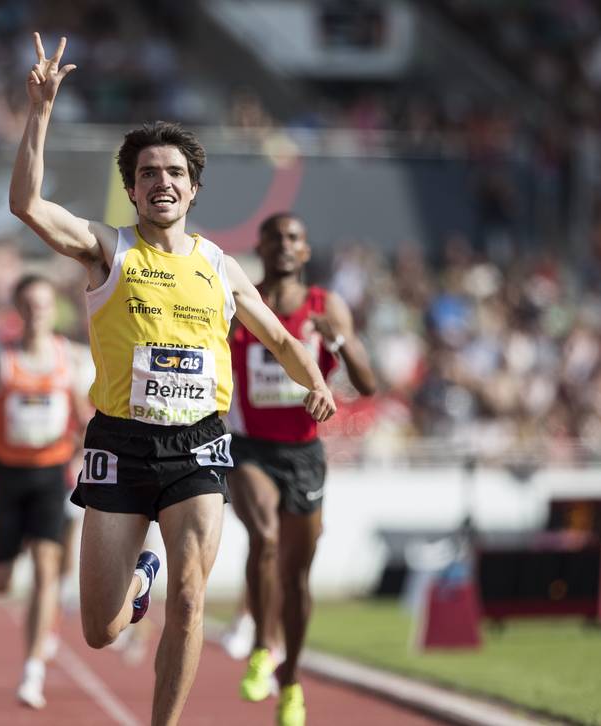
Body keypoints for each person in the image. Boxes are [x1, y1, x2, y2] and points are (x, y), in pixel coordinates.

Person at [8, 33, 336, 726]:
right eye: (149, 172)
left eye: (175, 172)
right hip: (120, 445)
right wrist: (39, 111)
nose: (163, 182)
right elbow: (28, 207)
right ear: (132, 187)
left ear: (194, 187)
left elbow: (277, 335)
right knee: (101, 629)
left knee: (192, 597)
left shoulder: (219, 265)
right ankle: (142, 572)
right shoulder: (108, 249)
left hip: (198, 445)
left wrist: (316, 382)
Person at [229, 212, 377, 725]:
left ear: (306, 251)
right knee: (264, 536)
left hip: (304, 454)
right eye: (274, 238)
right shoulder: (241, 302)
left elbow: (367, 382)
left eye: (294, 238)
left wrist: (337, 340)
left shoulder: (324, 306)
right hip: (248, 447)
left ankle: (291, 681)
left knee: (297, 578)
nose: (284, 246)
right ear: (261, 246)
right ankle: (260, 648)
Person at [0, 274, 93, 709]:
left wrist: (82, 454)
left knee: (46, 567)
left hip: (51, 475)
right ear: (18, 311)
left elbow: (83, 419)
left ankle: (32, 670)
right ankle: (13, 550)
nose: (37, 312)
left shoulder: (67, 360)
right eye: (29, 305)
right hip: (9, 476)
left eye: (43, 304)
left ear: (53, 309)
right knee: (1, 583)